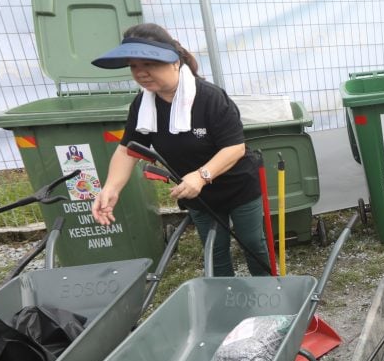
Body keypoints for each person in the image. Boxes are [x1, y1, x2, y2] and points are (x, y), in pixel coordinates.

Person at [91, 23, 271, 277]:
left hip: (237, 185)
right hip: (197, 194)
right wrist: (110, 188)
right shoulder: (143, 106)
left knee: (252, 243)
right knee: (214, 250)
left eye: (149, 64)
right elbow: (127, 150)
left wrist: (201, 175)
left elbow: (235, 147)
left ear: (174, 62)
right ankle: (226, 302)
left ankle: (270, 295)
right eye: (134, 66)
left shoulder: (209, 97)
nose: (141, 73)